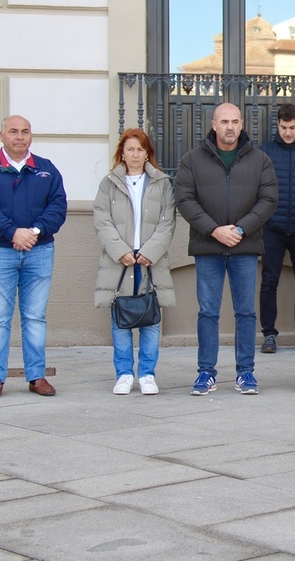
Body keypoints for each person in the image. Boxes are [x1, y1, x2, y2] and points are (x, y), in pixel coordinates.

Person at [175, 102, 277, 395]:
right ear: (214, 125)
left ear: (242, 124)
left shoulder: (260, 161)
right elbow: (184, 198)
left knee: (246, 312)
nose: (230, 127)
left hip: (244, 247)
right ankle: (205, 372)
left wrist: (241, 229)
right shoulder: (192, 160)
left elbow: (268, 200)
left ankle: (245, 372)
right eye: (224, 122)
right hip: (208, 246)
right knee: (208, 311)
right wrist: (214, 230)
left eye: (234, 121)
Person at [0, 115, 67, 398]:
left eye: (25, 131)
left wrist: (34, 231)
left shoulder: (46, 170)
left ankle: (36, 376)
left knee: (35, 317)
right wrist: (13, 232)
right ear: (2, 135)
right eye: (13, 131)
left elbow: (58, 206)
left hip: (39, 252)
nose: (19, 137)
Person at [93, 128, 176, 395]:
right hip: (121, 261)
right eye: (130, 149)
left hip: (151, 260)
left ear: (147, 152)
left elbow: (167, 222)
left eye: (140, 149)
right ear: (122, 153)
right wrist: (120, 251)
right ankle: (124, 373)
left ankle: (148, 374)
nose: (135, 154)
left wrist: (150, 250)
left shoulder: (162, 183)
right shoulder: (109, 183)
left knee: (151, 316)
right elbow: (102, 219)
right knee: (121, 318)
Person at [258, 104, 295, 354]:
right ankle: (269, 334)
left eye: (292, 128)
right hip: (273, 228)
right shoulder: (266, 151)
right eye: (283, 127)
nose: (287, 132)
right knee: (269, 282)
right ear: (277, 124)